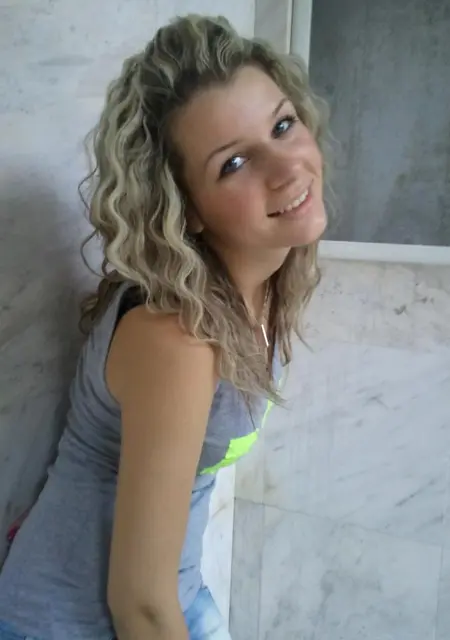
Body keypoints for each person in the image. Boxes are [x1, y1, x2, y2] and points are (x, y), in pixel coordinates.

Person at [0, 13, 328, 640]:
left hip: (176, 592)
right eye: (235, 162)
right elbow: (141, 604)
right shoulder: (177, 337)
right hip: (67, 621)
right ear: (187, 210)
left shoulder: (264, 288)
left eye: (283, 125)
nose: (287, 167)